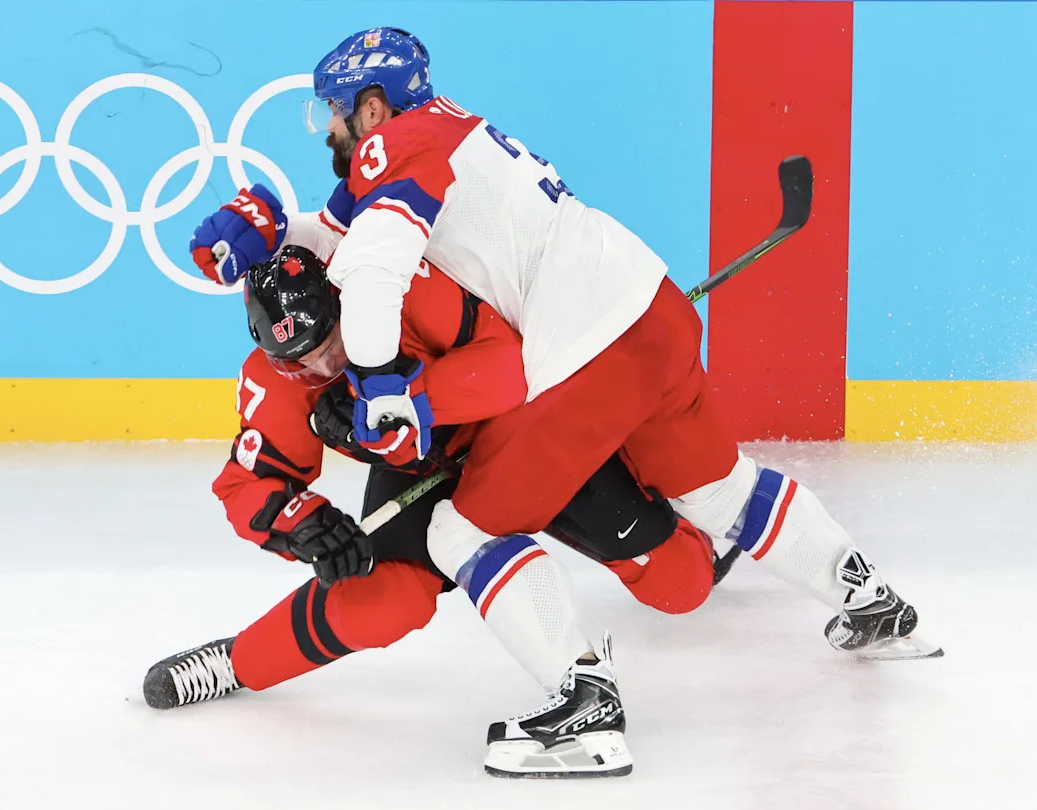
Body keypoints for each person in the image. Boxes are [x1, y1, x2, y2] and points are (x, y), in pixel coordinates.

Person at [185, 27, 941, 777]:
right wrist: (272, 226)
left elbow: (377, 265)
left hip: (579, 362)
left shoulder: (393, 150)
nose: (331, 130)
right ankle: (871, 602)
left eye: (337, 113)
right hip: (651, 311)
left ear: (373, 109)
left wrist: (388, 389)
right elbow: (348, 233)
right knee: (719, 489)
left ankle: (583, 707)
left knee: (460, 533)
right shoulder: (451, 134)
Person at [144, 247, 722, 778]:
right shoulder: (278, 375)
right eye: (301, 364)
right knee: (380, 601)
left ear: (348, 303)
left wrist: (404, 403)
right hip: (433, 472)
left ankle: (694, 511)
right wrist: (304, 524)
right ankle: (237, 661)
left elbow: (505, 369)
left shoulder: (402, 288)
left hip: (527, 436)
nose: (322, 370)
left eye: (332, 346)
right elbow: (248, 482)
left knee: (682, 584)